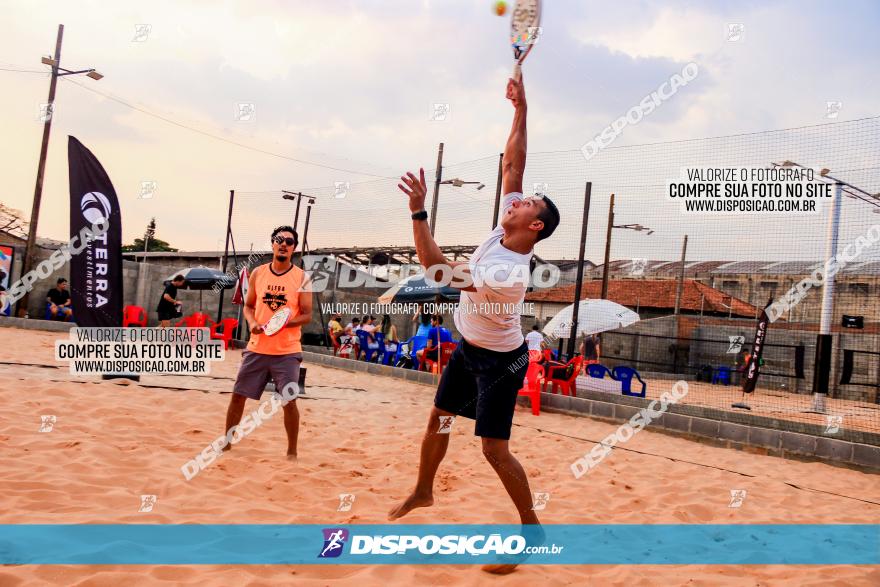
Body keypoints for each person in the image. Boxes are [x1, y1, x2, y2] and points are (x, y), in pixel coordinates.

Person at [388, 74, 560, 575]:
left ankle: (532, 529)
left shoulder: (507, 272)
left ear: (535, 227)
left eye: (528, 204)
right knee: (438, 419)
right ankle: (424, 489)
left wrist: (419, 211)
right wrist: (521, 108)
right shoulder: (509, 225)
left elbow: (436, 271)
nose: (518, 199)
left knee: (494, 450)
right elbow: (513, 162)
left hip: (501, 363)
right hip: (469, 345)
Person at [223, 226, 312, 461]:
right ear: (272, 243)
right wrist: (252, 322)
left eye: (289, 241)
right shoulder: (258, 273)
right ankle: (227, 443)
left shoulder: (303, 277)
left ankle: (292, 451)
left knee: (289, 400)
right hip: (257, 346)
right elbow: (249, 305)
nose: (283, 244)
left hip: (287, 350)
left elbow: (307, 314)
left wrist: (284, 323)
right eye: (279, 240)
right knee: (238, 395)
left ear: (294, 248)